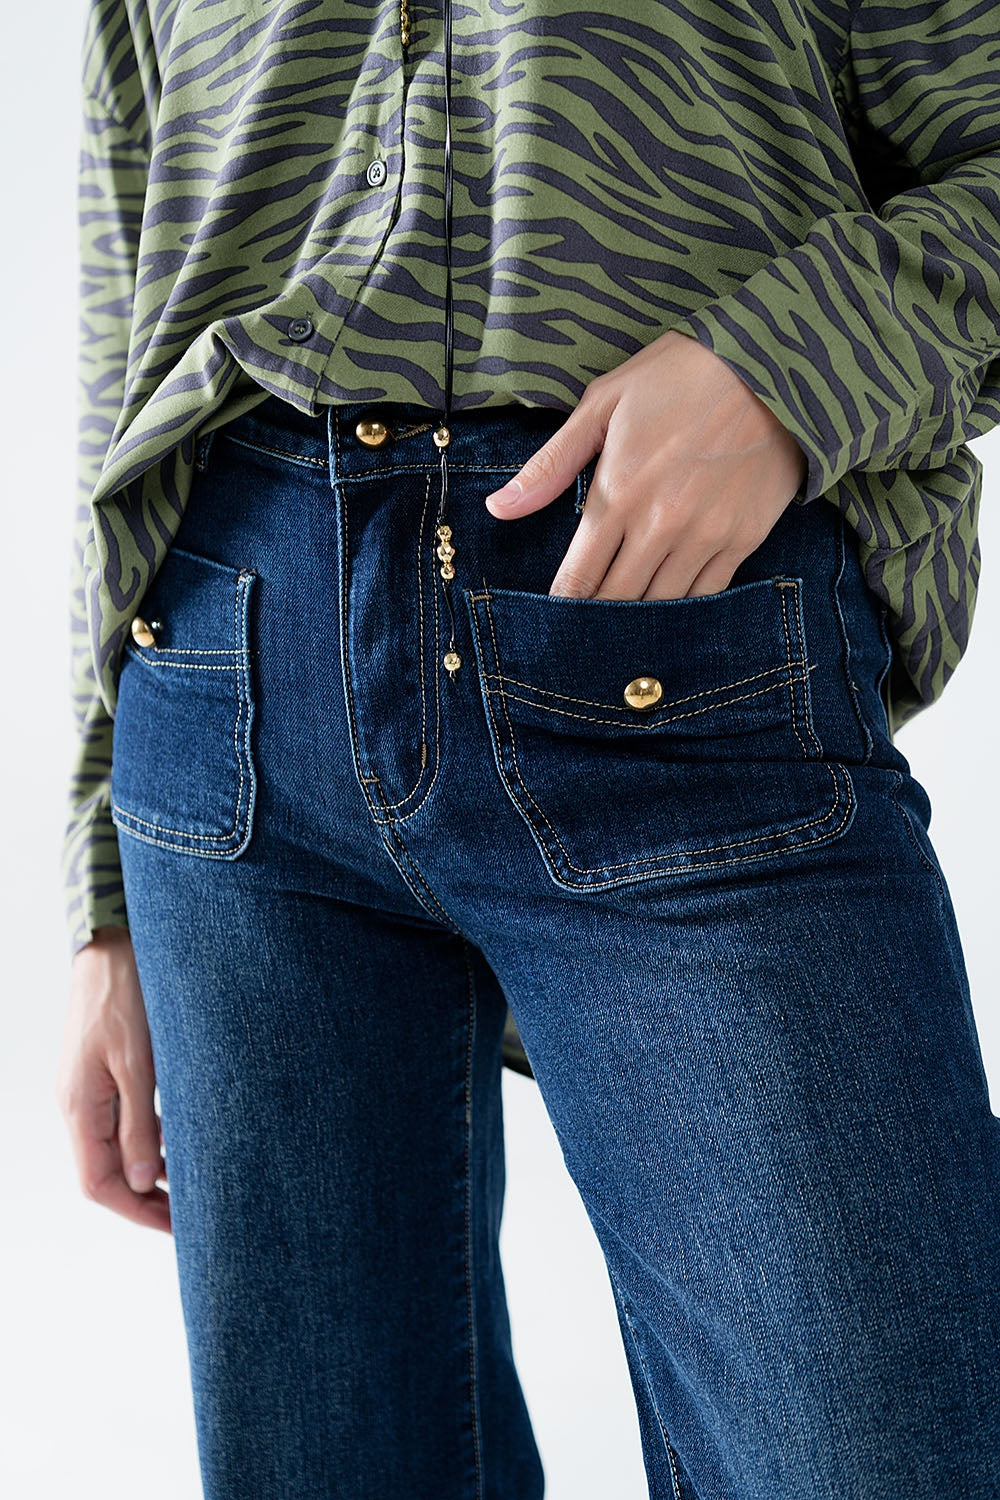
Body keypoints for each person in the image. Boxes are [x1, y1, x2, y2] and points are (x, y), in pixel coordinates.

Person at [56, 2, 1000, 1497]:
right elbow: (132, 283)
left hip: (681, 661)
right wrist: (100, 872)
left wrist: (786, 369)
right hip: (226, 690)